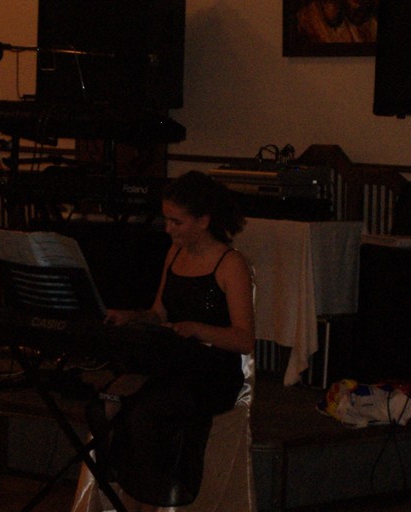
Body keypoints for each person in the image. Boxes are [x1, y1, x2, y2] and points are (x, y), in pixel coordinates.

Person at [81, 170, 255, 512]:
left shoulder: (230, 264)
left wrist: (197, 329)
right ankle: (123, 493)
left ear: (203, 221)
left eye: (177, 221)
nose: (168, 229)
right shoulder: (175, 253)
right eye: (167, 219)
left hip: (211, 372)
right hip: (174, 361)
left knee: (146, 415)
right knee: (105, 405)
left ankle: (151, 500)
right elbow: (159, 313)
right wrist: (131, 316)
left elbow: (244, 339)